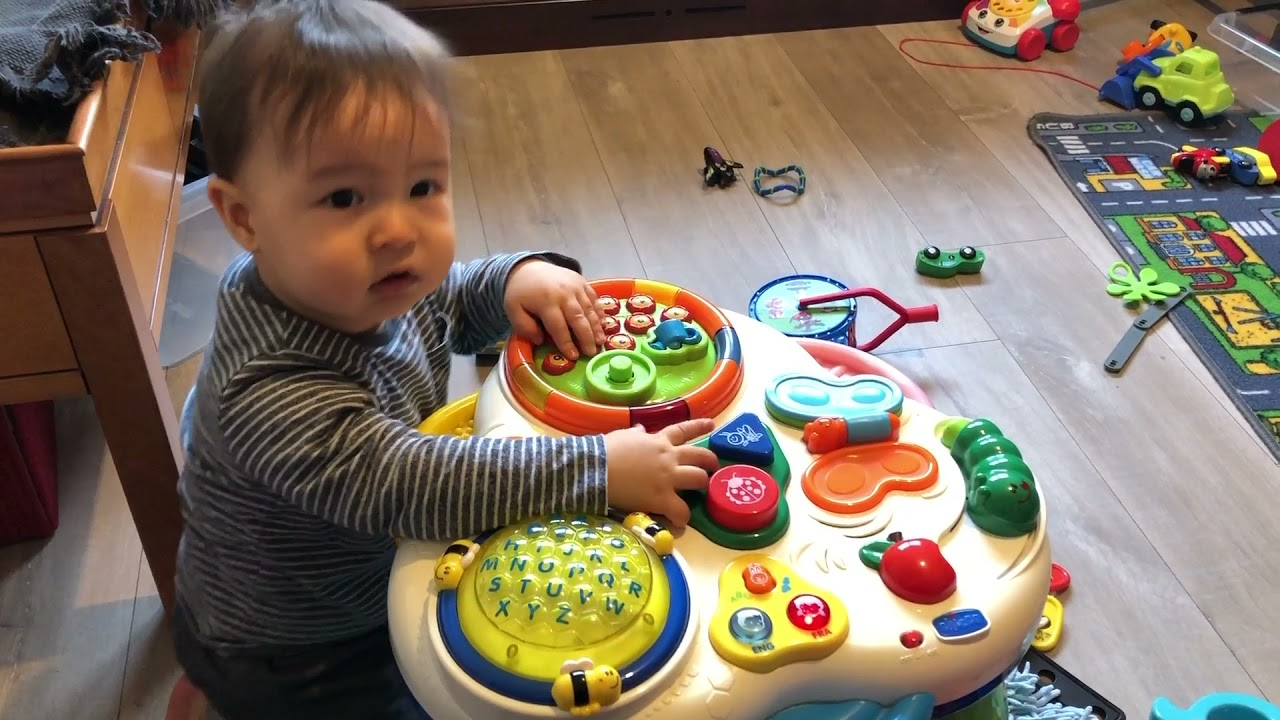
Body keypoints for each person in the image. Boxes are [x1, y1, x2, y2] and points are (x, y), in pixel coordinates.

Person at [169, 2, 719, 718]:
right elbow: (412, 486)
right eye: (344, 197)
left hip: (362, 575)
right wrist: (600, 469)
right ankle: (220, 690)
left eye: (423, 186)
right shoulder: (270, 389)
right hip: (301, 645)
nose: (399, 229)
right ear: (244, 219)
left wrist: (515, 279)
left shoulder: (354, 282)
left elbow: (449, 301)